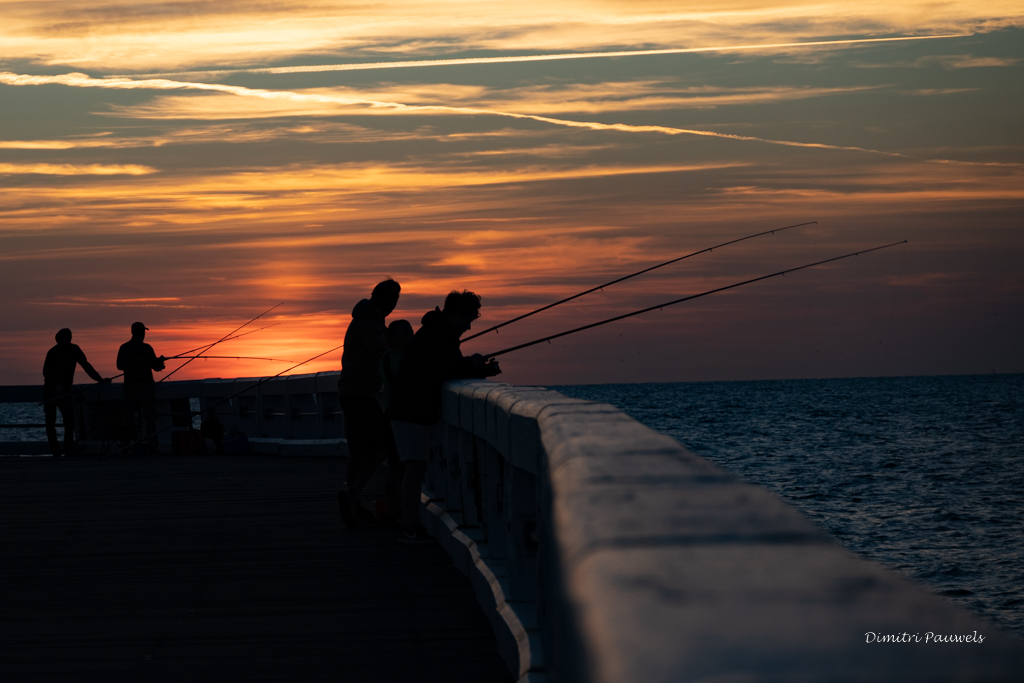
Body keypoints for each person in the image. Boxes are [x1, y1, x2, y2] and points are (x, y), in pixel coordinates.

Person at [388, 290, 501, 543]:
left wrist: (475, 368)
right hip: (412, 411)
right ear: (456, 314)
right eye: (468, 319)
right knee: (414, 469)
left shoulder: (437, 332)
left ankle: (409, 523)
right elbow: (445, 369)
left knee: (414, 468)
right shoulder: (438, 335)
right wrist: (472, 365)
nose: (469, 326)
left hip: (411, 410)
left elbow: (445, 368)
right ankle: (409, 526)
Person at [337, 278, 401, 528]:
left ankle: (353, 502)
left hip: (353, 392)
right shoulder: (368, 324)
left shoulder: (369, 321)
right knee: (382, 448)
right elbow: (382, 354)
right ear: (379, 297)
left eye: (396, 300)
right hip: (360, 393)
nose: (393, 304)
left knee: (358, 451)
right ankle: (353, 492)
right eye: (391, 299)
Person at [42, 328, 112, 457]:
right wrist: (57, 385)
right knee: (51, 421)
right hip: (51, 391)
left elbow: (86, 366)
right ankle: (56, 449)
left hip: (65, 392)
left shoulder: (74, 350)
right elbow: (46, 372)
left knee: (69, 420)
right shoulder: (53, 351)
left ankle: (68, 447)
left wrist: (100, 379)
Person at [378, 319, 414, 523]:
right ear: (391, 338)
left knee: (404, 466)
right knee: (396, 466)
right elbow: (396, 381)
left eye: (410, 333)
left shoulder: (407, 357)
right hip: (394, 417)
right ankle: (394, 511)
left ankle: (401, 508)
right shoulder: (389, 357)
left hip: (406, 416)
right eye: (404, 334)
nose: (409, 338)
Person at [116, 322, 166, 453]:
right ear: (140, 333)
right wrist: (160, 362)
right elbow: (156, 367)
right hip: (146, 387)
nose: (144, 334)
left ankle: (125, 444)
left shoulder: (124, 348)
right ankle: (152, 443)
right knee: (149, 417)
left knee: (127, 417)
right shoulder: (146, 348)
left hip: (129, 387)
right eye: (143, 332)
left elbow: (119, 366)